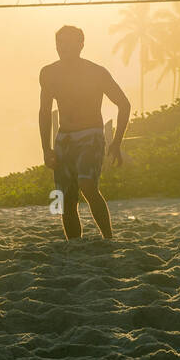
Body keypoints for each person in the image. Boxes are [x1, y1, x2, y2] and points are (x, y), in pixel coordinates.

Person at [39, 25, 131, 239]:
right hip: (64, 137)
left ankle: (108, 238)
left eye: (70, 43)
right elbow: (44, 111)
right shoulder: (49, 73)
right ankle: (74, 244)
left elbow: (124, 104)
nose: (64, 48)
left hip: (91, 135)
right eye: (60, 43)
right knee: (66, 197)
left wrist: (117, 141)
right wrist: (46, 149)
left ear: (81, 45)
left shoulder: (96, 72)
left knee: (87, 185)